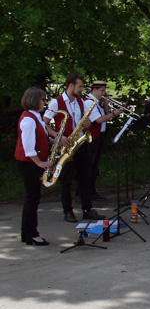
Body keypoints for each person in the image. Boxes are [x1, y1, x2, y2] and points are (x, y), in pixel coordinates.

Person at [43, 73, 105, 222]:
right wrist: (57, 136)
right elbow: (44, 123)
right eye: (80, 87)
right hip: (66, 145)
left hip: (80, 143)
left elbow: (85, 121)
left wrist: (87, 124)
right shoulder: (56, 102)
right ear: (71, 85)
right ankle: (68, 211)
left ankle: (87, 209)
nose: (81, 90)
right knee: (67, 180)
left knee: (86, 177)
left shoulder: (80, 102)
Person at [15, 88, 52, 245]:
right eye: (42, 99)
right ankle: (30, 233)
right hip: (29, 163)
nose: (45, 102)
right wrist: (40, 163)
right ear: (34, 100)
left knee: (34, 198)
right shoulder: (29, 120)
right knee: (32, 198)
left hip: (32, 162)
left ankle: (29, 233)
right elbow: (28, 147)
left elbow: (40, 137)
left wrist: (52, 141)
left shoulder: (36, 117)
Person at [84, 81, 123, 201]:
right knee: (90, 166)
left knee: (95, 166)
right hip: (92, 138)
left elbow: (105, 117)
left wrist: (106, 107)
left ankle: (92, 191)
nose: (103, 93)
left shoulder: (97, 103)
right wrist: (115, 113)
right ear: (94, 90)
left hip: (100, 136)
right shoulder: (89, 102)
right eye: (101, 91)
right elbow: (100, 120)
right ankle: (86, 193)